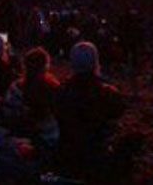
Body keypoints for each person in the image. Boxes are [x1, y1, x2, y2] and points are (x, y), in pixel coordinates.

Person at [56, 41, 137, 180]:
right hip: (96, 153)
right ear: (95, 62)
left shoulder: (61, 91)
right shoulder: (106, 93)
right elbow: (120, 109)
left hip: (67, 152)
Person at [5, 47, 61, 151]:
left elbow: (10, 114)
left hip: (20, 137)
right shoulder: (53, 89)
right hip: (47, 140)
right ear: (46, 67)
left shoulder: (15, 88)